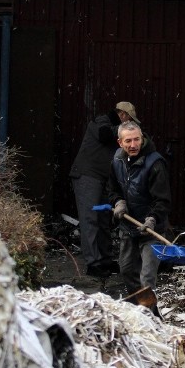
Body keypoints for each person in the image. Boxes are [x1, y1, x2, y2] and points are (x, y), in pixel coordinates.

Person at [70, 102, 139, 277]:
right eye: (129, 120)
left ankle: (105, 261)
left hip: (102, 179)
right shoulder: (101, 122)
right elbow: (104, 134)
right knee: (90, 219)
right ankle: (93, 263)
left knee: (103, 218)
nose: (129, 125)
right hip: (87, 177)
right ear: (122, 114)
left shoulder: (114, 130)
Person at [106, 121, 171, 302]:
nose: (133, 145)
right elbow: (112, 189)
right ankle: (138, 308)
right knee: (126, 270)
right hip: (128, 227)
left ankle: (149, 316)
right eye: (128, 141)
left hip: (151, 231)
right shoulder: (117, 161)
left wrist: (153, 218)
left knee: (147, 278)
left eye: (136, 140)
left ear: (142, 139)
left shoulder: (155, 163)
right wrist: (118, 202)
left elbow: (163, 200)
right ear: (120, 142)